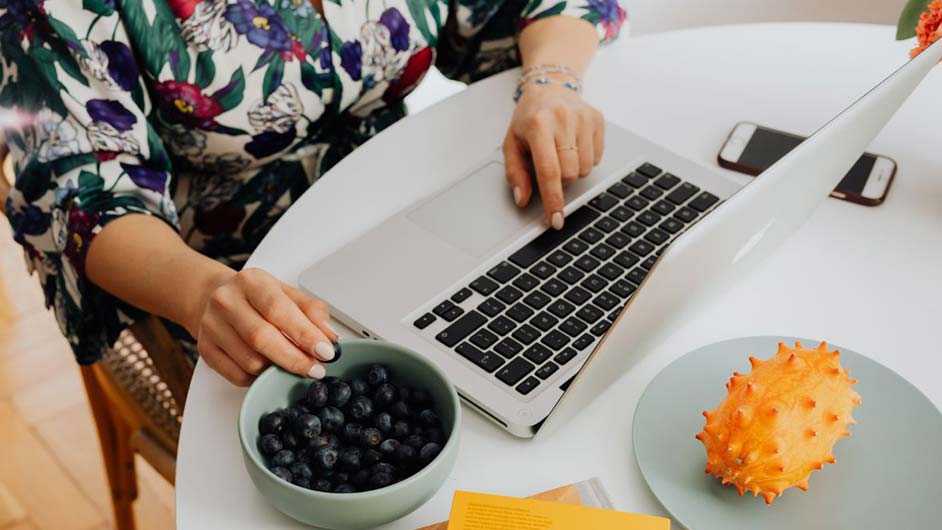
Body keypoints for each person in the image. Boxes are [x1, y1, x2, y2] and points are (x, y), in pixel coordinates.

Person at [1, 0, 627, 386]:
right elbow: (85, 197)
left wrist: (551, 82)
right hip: (243, 290)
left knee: (581, 351)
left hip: (413, 214)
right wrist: (202, 293)